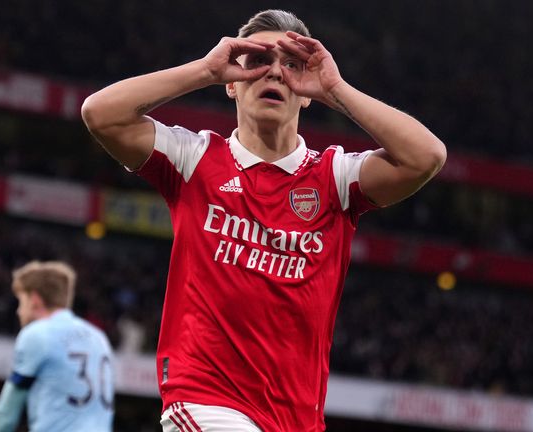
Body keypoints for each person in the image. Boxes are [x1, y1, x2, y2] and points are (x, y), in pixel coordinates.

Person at [82, 8, 446, 432]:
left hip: (297, 419)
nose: (275, 72)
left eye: (291, 65)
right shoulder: (192, 158)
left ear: (306, 92)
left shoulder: (334, 178)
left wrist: (336, 89)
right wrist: (204, 71)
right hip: (205, 402)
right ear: (232, 83)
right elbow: (100, 113)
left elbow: (426, 157)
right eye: (258, 61)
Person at [0, 261, 114, 432]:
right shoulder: (99, 338)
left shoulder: (37, 334)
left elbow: (6, 415)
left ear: (34, 300)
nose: (19, 311)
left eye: (21, 302)